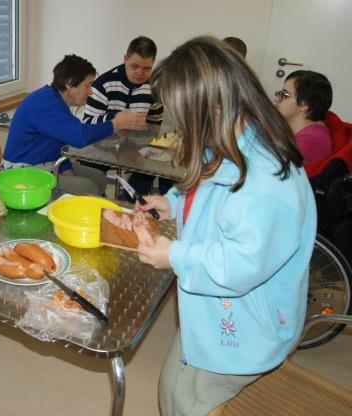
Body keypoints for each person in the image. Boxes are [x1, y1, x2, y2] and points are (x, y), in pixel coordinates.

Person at [132, 37, 316, 415]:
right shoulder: (235, 138)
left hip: (244, 325)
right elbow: (210, 193)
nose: (178, 125)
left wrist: (174, 254)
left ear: (213, 106)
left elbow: (239, 264)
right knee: (174, 384)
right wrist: (174, 202)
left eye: (181, 116)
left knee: (184, 398)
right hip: (216, 309)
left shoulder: (266, 184)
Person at [1, 54, 147, 195]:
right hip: (23, 175)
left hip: (46, 166)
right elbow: (80, 137)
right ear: (69, 84)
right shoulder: (45, 104)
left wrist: (67, 170)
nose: (90, 92)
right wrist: (116, 123)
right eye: (88, 85)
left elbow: (58, 144)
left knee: (99, 178)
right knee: (87, 187)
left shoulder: (55, 100)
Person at [82, 35, 172, 197]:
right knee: (91, 173)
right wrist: (116, 120)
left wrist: (138, 148)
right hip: (102, 147)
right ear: (125, 59)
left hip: (137, 148)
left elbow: (155, 126)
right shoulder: (103, 84)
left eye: (146, 68)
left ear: (153, 63)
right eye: (134, 66)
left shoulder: (155, 87)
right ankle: (99, 200)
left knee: (152, 166)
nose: (139, 73)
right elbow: (88, 124)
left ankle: (130, 202)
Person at [275, 70, 333, 163]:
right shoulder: (312, 132)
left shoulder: (308, 142)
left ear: (304, 104)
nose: (277, 99)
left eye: (285, 95)